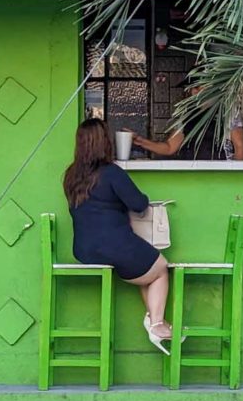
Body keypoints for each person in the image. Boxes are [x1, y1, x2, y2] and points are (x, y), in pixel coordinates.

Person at [63, 119, 172, 353]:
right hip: (115, 246)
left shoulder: (70, 175)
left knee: (145, 271)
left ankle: (156, 321)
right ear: (105, 143)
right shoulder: (112, 173)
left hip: (83, 250)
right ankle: (156, 324)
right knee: (160, 267)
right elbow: (139, 204)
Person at [134, 98, 243, 161]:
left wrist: (235, 176)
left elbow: (240, 147)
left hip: (222, 173)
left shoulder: (228, 112)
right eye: (192, 88)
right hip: (193, 173)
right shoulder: (186, 116)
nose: (195, 92)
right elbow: (169, 148)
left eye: (198, 87)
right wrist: (141, 141)